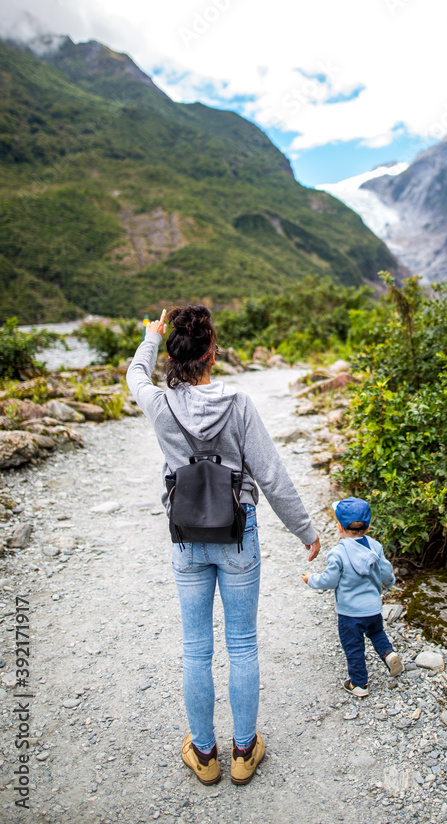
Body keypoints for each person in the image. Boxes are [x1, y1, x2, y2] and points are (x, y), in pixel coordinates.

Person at [127, 304, 321, 786]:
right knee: (242, 645)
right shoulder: (238, 403)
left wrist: (151, 336)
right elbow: (272, 476)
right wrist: (306, 532)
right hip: (239, 534)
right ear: (212, 353)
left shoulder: (159, 403)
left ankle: (204, 755)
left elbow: (134, 375)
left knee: (195, 649)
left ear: (175, 355)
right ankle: (243, 753)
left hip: (186, 538)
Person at [302, 496, 402, 697]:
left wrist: (311, 579)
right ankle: (388, 654)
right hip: (373, 608)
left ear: (339, 527)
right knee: (376, 633)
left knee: (353, 647)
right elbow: (385, 571)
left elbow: (329, 581)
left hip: (350, 614)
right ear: (369, 526)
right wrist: (390, 582)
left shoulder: (338, 553)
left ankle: (359, 684)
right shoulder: (375, 547)